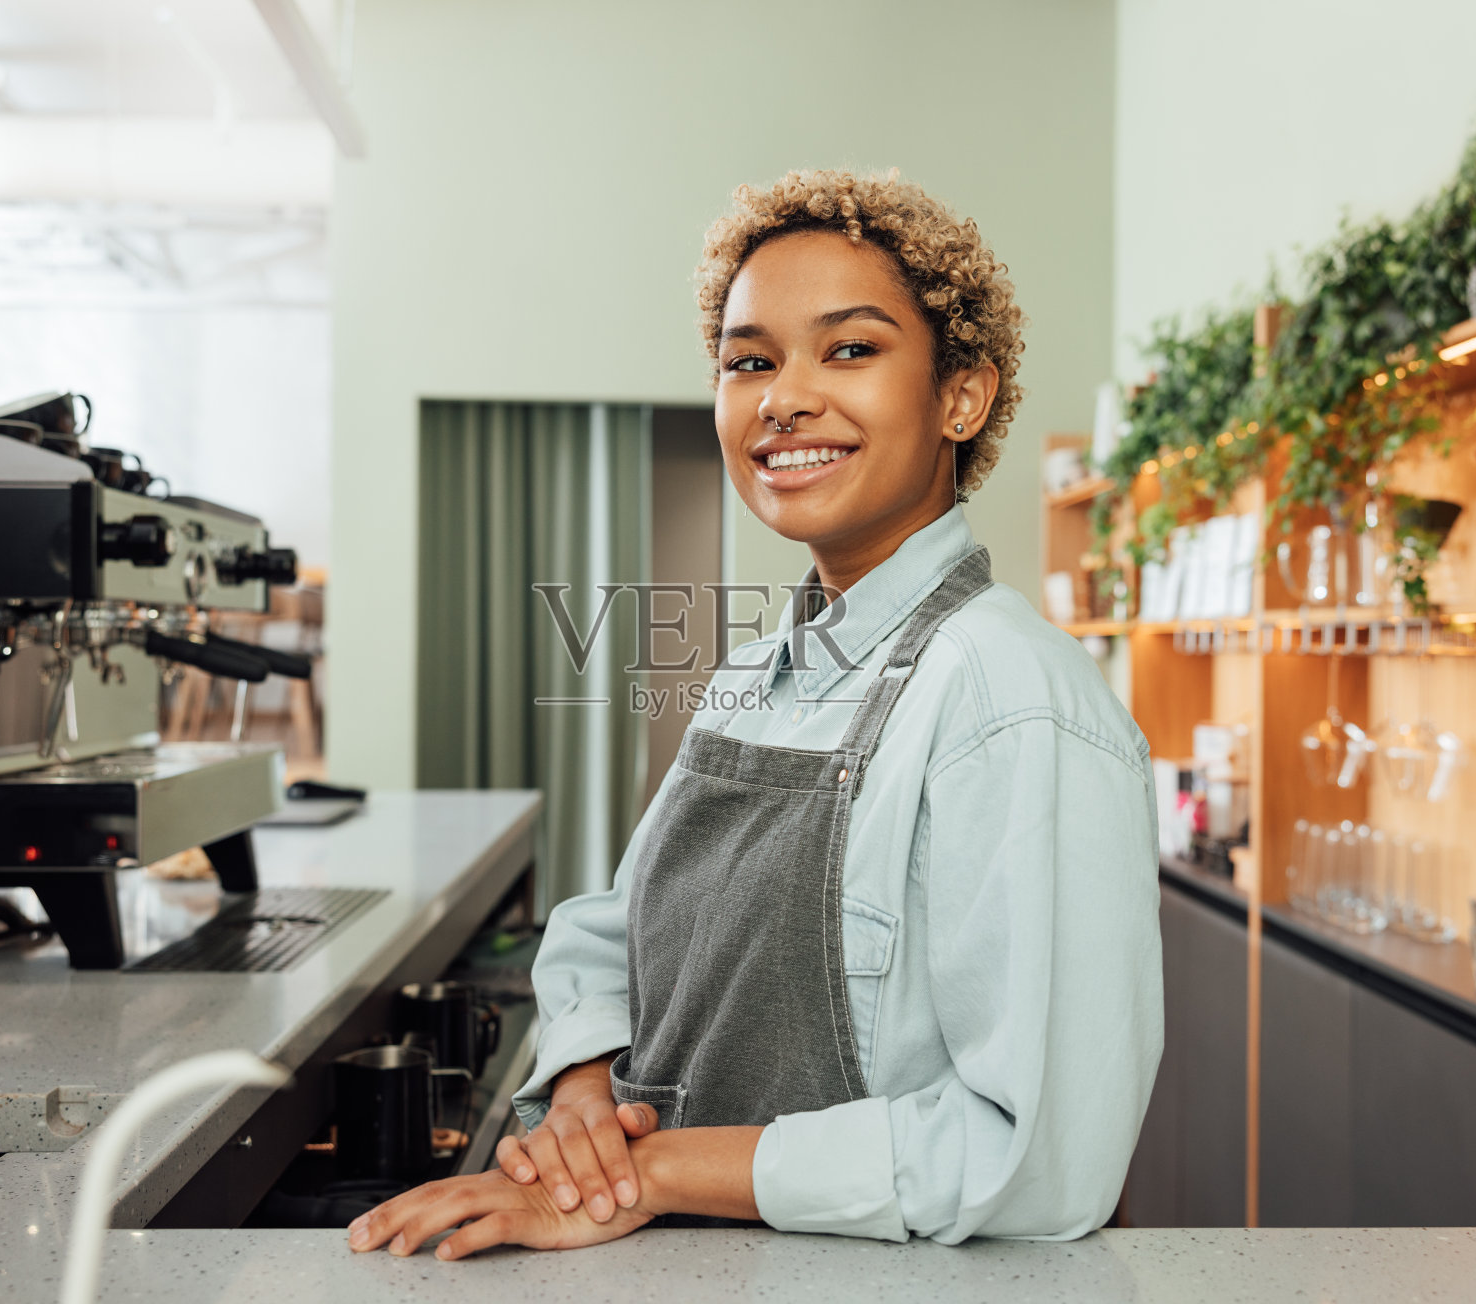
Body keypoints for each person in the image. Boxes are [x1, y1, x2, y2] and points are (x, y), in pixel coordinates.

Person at [348, 169, 1162, 1262]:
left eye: (850, 348)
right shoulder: (754, 672)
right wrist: (586, 1095)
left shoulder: (1011, 701)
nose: (783, 396)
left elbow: (1041, 1157)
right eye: (749, 361)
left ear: (961, 396)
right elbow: (611, 928)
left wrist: (654, 1167)